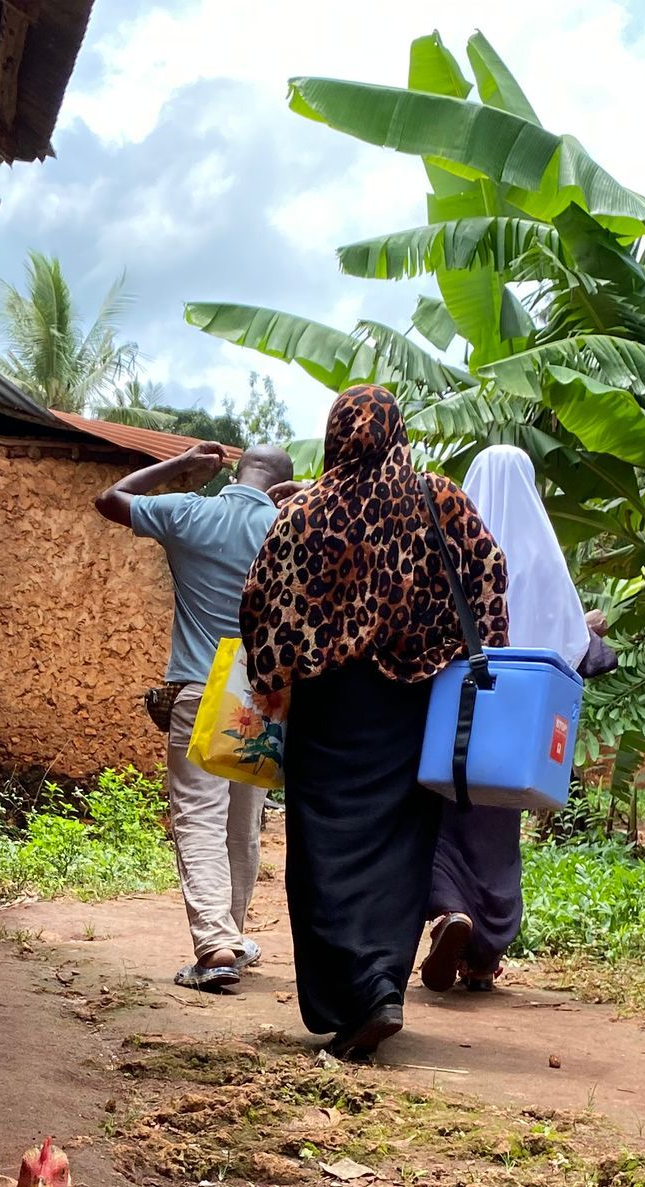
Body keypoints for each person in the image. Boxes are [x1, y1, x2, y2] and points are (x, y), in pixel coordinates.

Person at [239, 385, 506, 1059]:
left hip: (329, 709)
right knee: (399, 849)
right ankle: (383, 984)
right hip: (412, 702)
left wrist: (270, 681)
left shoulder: (303, 511)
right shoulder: (436, 498)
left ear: (334, 436)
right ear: (397, 433)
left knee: (323, 855)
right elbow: (489, 569)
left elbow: (262, 598)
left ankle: (358, 994)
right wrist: (470, 650)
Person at [95, 438, 297, 990]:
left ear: (235, 471)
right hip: (261, 694)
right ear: (282, 482)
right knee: (242, 824)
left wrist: (180, 467)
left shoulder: (190, 511)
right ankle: (228, 934)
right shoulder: (291, 530)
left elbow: (111, 498)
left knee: (198, 818)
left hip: (200, 685)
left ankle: (215, 944)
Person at [421, 444, 588, 996]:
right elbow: (572, 641)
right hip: (520, 721)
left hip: (456, 707)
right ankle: (483, 957)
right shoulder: (543, 553)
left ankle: (447, 912)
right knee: (499, 827)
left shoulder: (454, 540)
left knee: (444, 814)